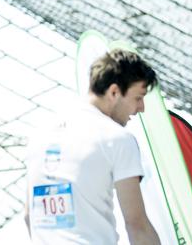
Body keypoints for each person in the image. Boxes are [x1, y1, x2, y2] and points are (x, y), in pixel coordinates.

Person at [25, 49, 161, 245]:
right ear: (114, 92)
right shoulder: (117, 138)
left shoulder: (39, 135)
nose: (141, 108)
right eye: (138, 98)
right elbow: (136, 225)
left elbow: (29, 216)